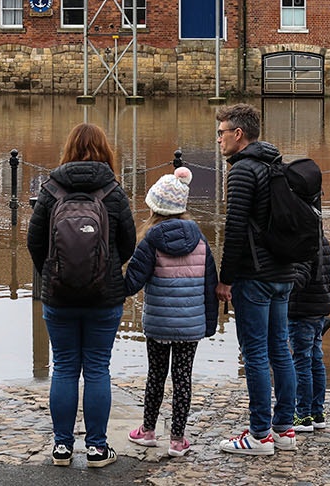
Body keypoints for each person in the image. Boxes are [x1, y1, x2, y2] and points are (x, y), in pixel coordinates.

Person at [26, 122, 136, 468]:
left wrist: (51, 276)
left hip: (59, 297)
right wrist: (106, 270)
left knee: (64, 367)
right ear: (105, 151)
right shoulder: (113, 191)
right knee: (98, 369)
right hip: (104, 296)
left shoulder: (51, 189)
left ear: (68, 149)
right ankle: (97, 449)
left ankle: (61, 448)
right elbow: (128, 243)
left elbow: (34, 241)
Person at [214, 103, 300, 456]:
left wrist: (225, 279)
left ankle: (259, 435)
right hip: (283, 271)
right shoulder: (276, 164)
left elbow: (235, 229)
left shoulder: (242, 171)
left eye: (221, 133)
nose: (218, 139)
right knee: (281, 349)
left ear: (238, 134)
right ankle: (285, 430)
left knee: (254, 355)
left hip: (256, 275)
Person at [123, 166, 217, 458]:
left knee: (156, 375)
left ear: (154, 208)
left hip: (159, 324)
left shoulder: (150, 240)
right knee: (183, 378)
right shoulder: (200, 239)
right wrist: (208, 325)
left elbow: (132, 283)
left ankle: (148, 431)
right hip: (190, 326)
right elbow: (210, 284)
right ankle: (178, 440)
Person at [289, 232, 330, 434]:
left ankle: (303, 415)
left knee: (302, 362)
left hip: (302, 310)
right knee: (316, 360)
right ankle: (317, 413)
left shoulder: (301, 240)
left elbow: (299, 278)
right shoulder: (322, 239)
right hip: (319, 309)